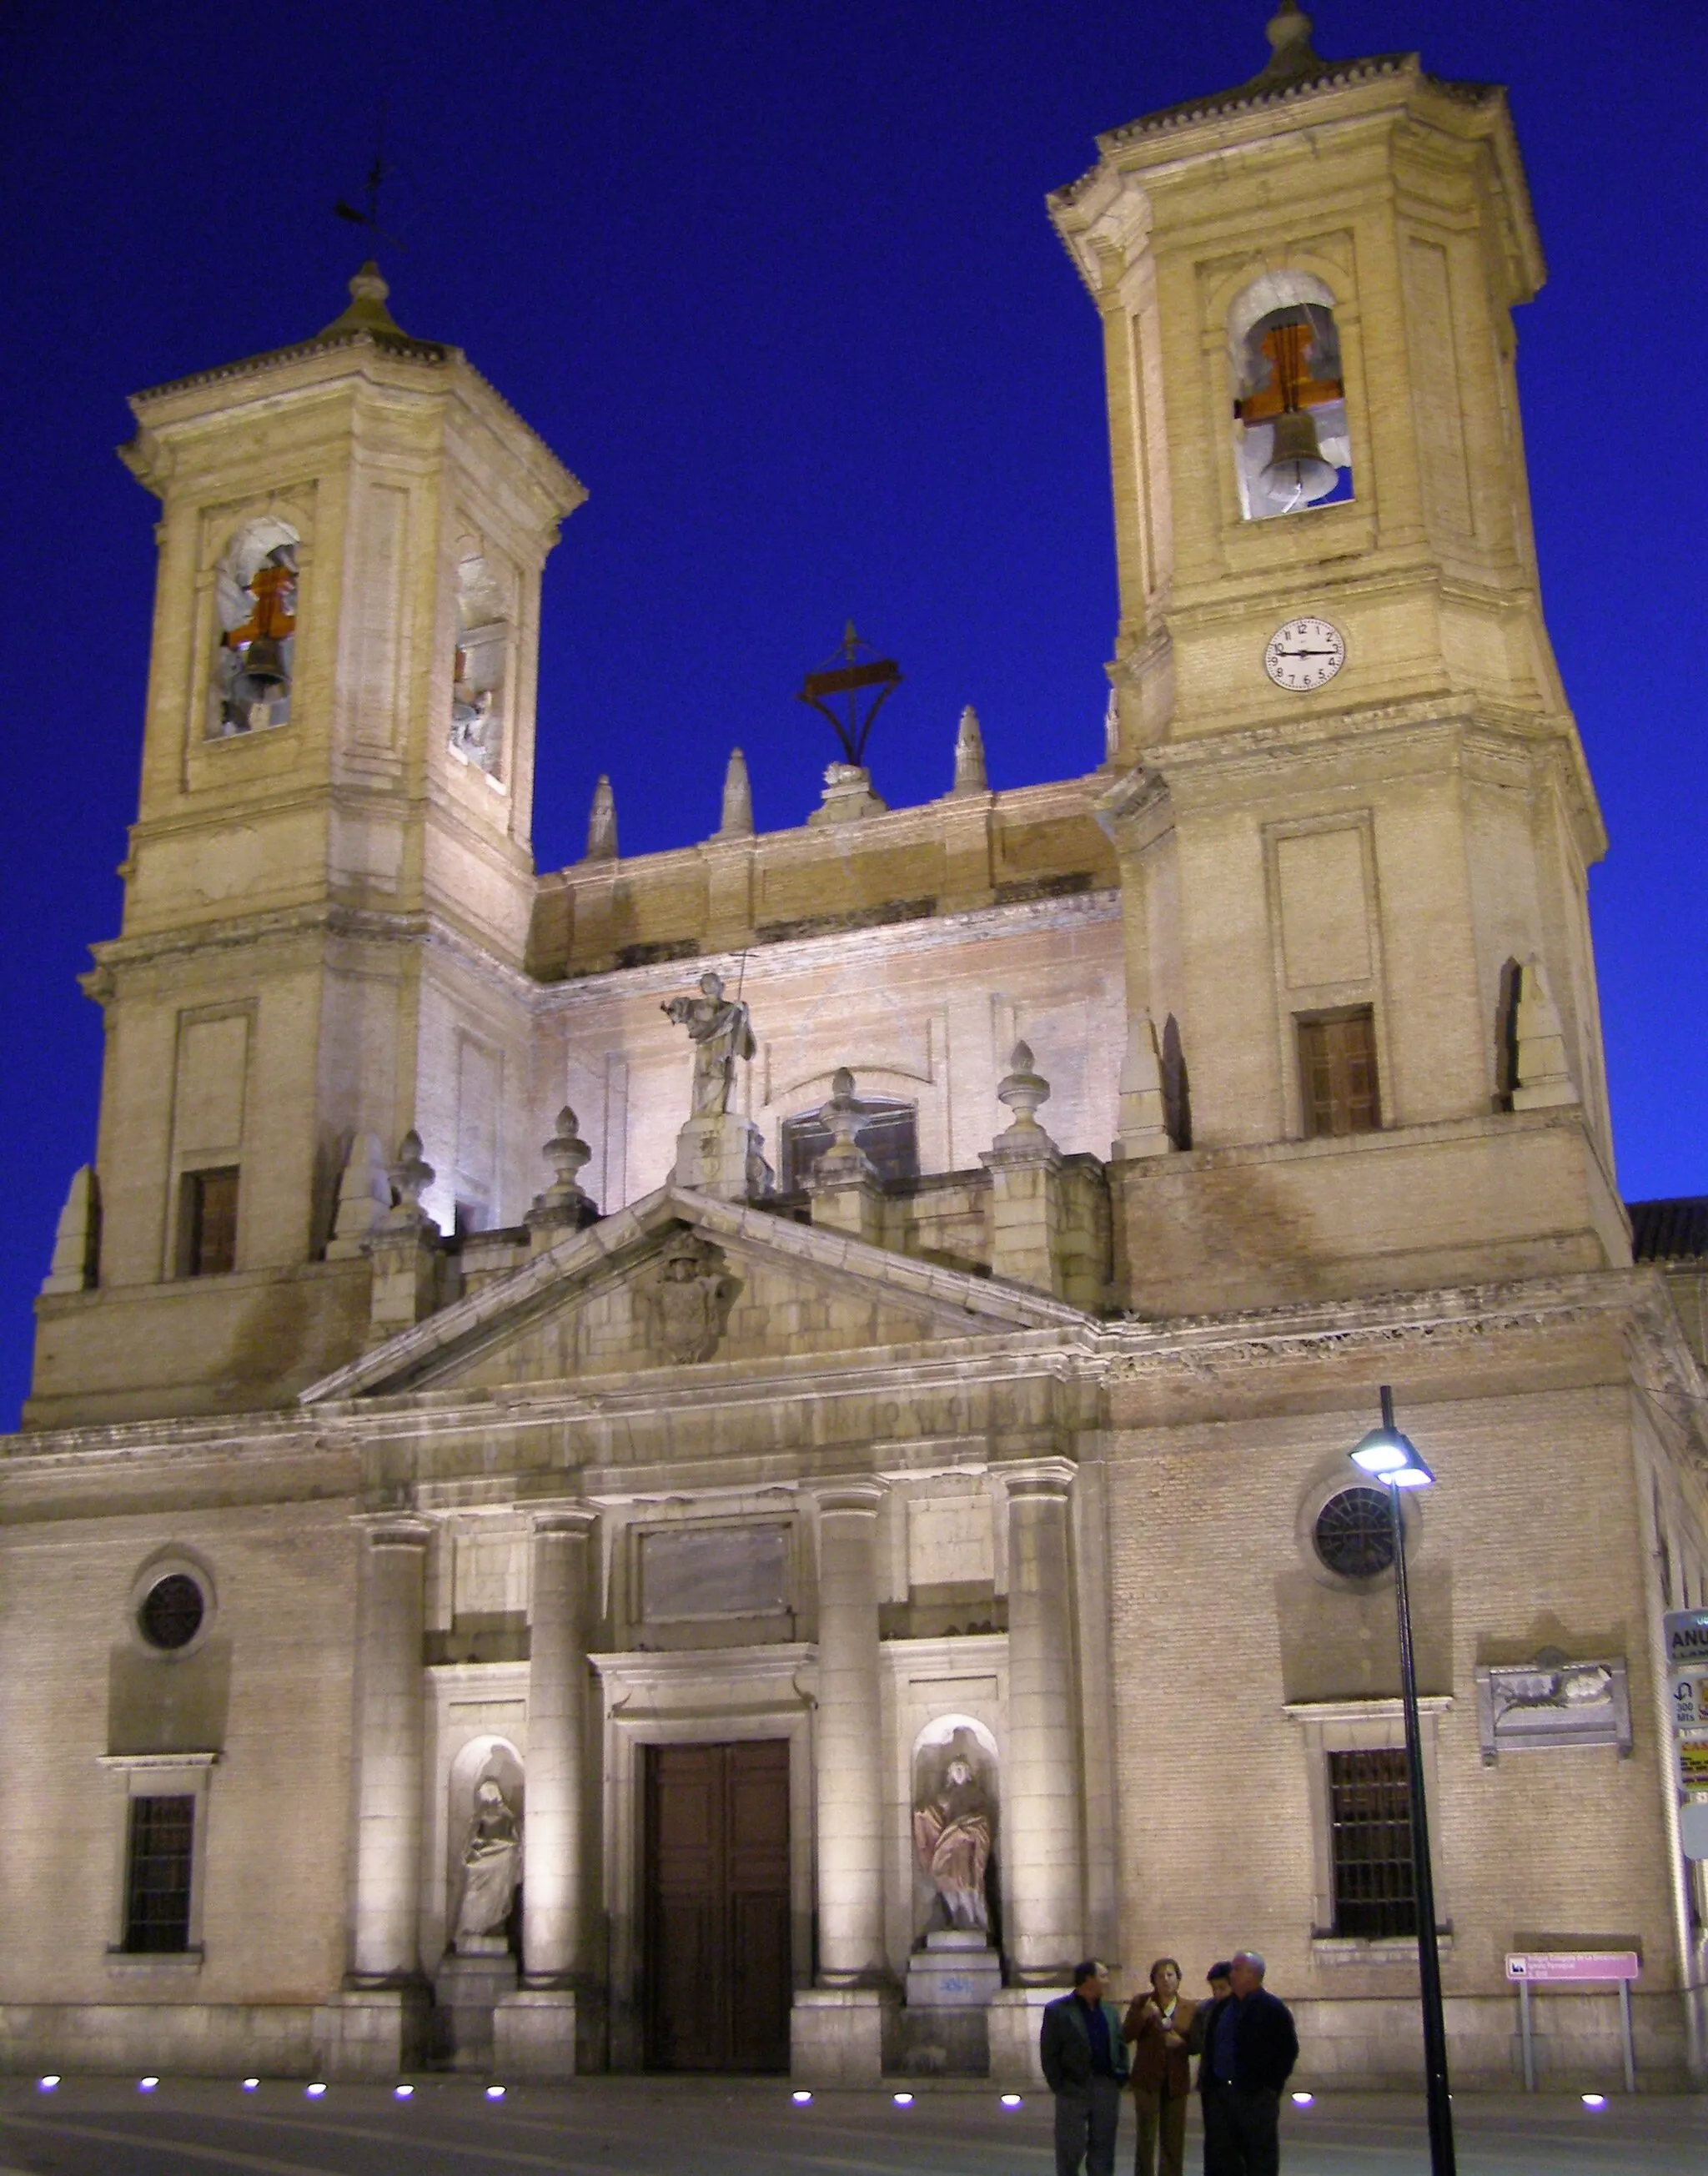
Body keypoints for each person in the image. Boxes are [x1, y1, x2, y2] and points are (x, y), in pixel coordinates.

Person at [1196, 1950, 1299, 2176]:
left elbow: (1287, 2051)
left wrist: (1270, 2087)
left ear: (1252, 1974)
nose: (1231, 1974)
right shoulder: (1223, 2008)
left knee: (1258, 2159)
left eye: (1237, 1969)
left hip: (1255, 2098)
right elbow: (1212, 2046)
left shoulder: (1272, 2009)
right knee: (1223, 2159)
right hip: (1221, 2097)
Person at [1041, 1959, 1131, 2176]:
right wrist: (1060, 2084)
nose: (1107, 1981)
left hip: (1106, 2087)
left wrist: (1120, 2074)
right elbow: (1049, 2052)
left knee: (1103, 2147)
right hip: (1074, 2087)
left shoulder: (1109, 2012)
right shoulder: (1058, 2011)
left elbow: (1120, 2045)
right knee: (1070, 2148)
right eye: (1103, 1976)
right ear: (1088, 1980)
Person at [1123, 1956, 1197, 2176]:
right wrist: (1142, 2017)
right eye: (1160, 1976)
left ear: (1178, 1979)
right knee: (1146, 2137)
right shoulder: (1141, 2003)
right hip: (1147, 2080)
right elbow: (1125, 2035)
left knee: (1174, 2138)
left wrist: (1182, 2044)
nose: (1165, 1980)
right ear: (1153, 1980)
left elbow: (1197, 2043)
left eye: (1170, 1975)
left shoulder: (1188, 2008)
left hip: (1176, 2081)